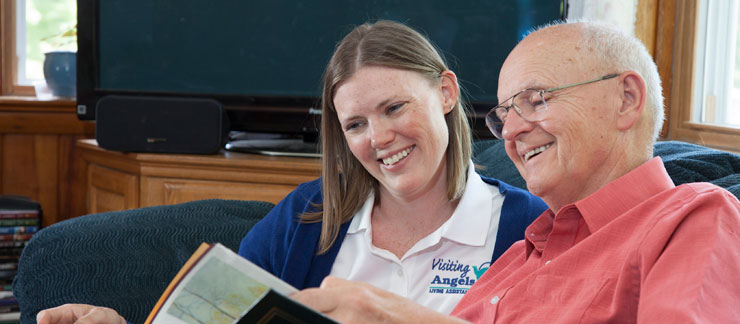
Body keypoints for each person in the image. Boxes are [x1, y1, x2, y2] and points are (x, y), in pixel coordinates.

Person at [36, 20, 547, 323]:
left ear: (446, 93)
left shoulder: (529, 225)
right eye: (355, 124)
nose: (378, 138)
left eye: (395, 107)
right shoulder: (307, 215)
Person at [286, 20, 740, 323]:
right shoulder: (517, 258)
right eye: (505, 113)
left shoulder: (695, 218)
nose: (512, 131)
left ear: (626, 99)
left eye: (536, 99)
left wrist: (398, 317)